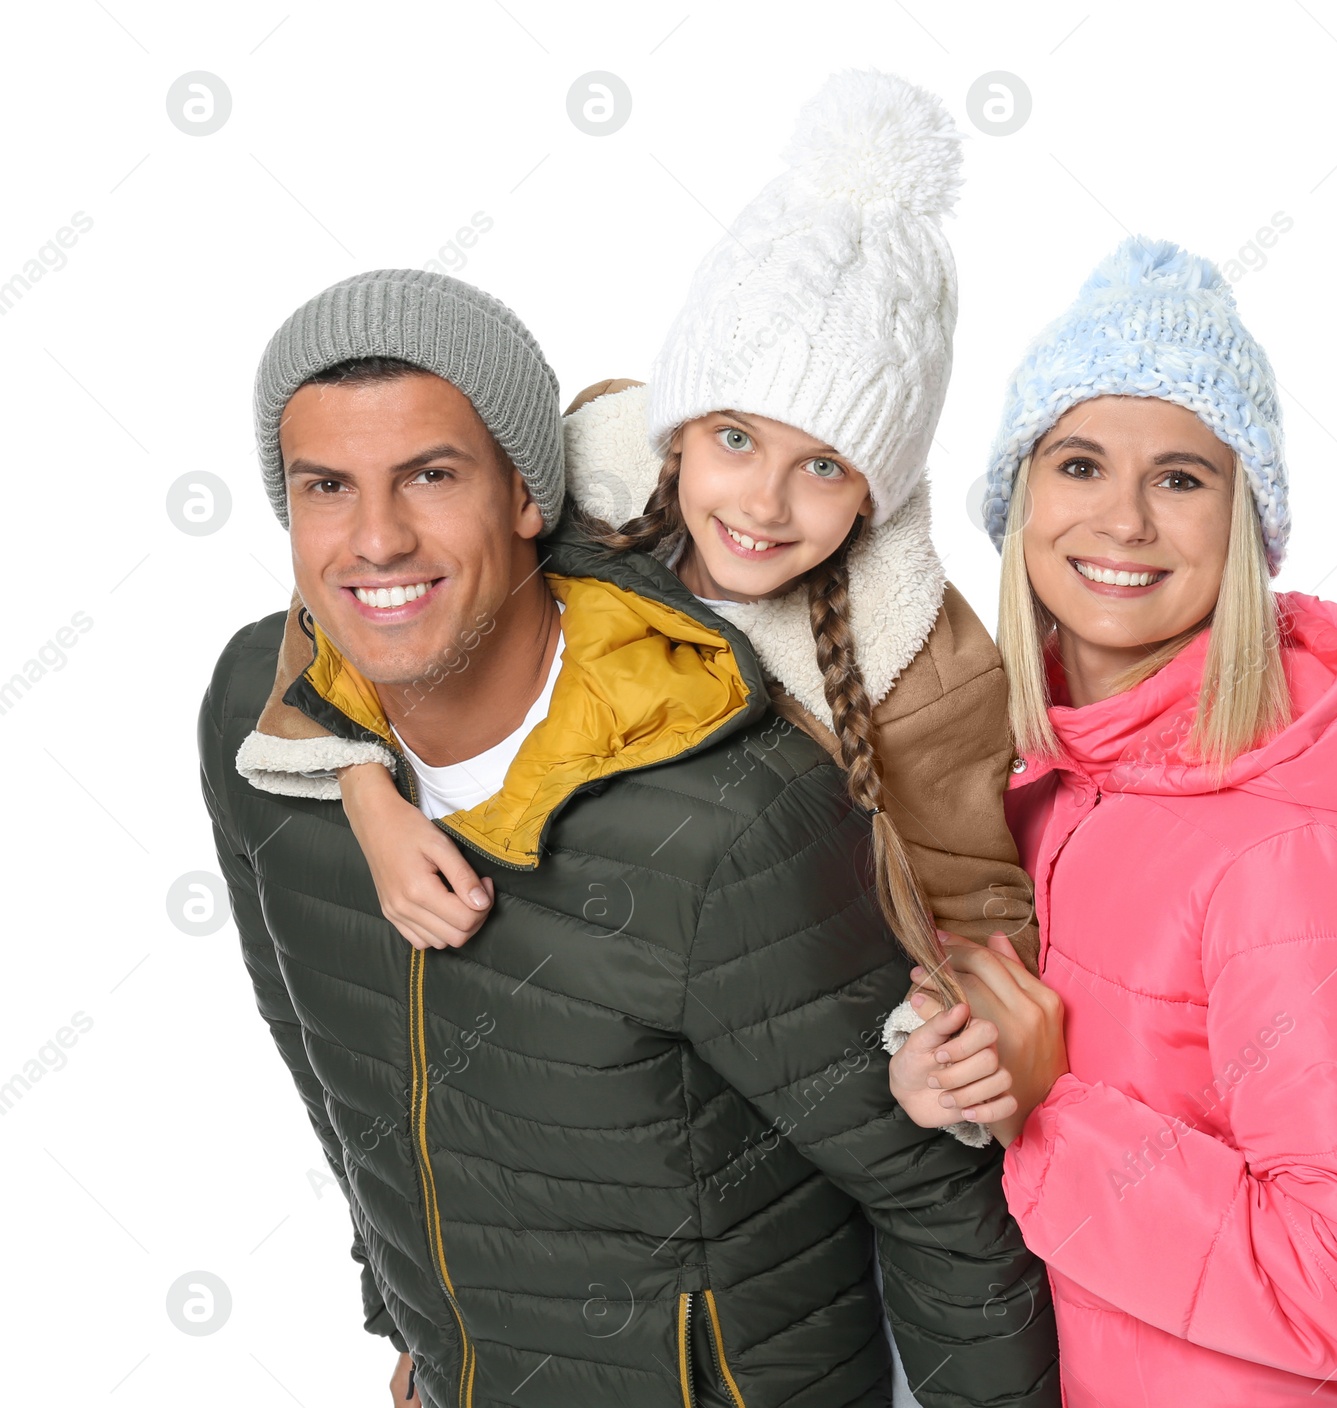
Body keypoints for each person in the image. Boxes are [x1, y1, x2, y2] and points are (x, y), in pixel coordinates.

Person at [200, 103, 1056, 1408]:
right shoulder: (266, 730)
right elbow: (338, 1064)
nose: (760, 504)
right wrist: (419, 1320)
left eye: (431, 477)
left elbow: (974, 927)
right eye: (325, 488)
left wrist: (950, 1032)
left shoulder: (864, 712)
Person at [889, 236, 1337, 1408]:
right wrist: (945, 1081)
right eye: (1076, 464)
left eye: (1179, 476)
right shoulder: (1042, 788)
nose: (1121, 520)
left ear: (1243, 526)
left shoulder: (1296, 852)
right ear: (1017, 505)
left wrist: (1049, 1107)